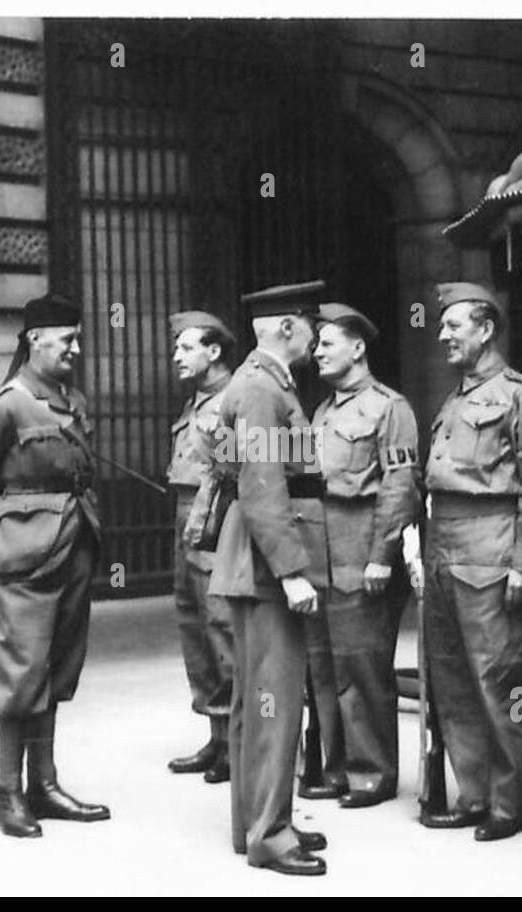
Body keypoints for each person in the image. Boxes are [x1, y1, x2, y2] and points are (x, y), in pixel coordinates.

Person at [0, 292, 110, 839]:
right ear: (34, 340)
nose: (76, 347)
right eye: (66, 339)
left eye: (77, 337)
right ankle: (8, 793)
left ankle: (44, 785)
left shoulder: (74, 401)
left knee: (58, 668)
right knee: (22, 671)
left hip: (73, 547)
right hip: (23, 555)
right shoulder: (4, 406)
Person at [418, 282, 522, 841]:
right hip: (442, 545)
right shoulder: (454, 400)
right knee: (451, 679)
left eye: (454, 326)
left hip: (491, 544)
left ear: (486, 329)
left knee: (498, 678)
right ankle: (472, 792)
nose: (444, 335)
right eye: (442, 326)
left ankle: (511, 800)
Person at [207, 280, 331, 876]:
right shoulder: (261, 388)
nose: (317, 334)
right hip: (264, 565)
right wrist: (292, 571)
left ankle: (253, 822)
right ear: (287, 327)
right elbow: (261, 483)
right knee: (273, 701)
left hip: (254, 561)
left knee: (254, 701)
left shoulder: (264, 384)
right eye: (310, 323)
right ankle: (269, 833)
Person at [307, 302, 420, 807]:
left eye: (326, 344)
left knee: (364, 670)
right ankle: (334, 770)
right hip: (323, 554)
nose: (316, 353)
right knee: (324, 669)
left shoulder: (389, 408)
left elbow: (400, 484)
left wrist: (383, 554)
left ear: (357, 348)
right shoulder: (322, 410)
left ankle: (371, 773)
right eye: (315, 345)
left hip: (362, 549)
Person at [166, 310, 237, 784]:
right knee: (195, 627)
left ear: (214, 351)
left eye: (186, 348)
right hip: (186, 519)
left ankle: (237, 742)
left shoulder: (236, 401)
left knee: (222, 629)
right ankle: (216, 736)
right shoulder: (196, 402)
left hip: (216, 522)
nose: (177, 356)